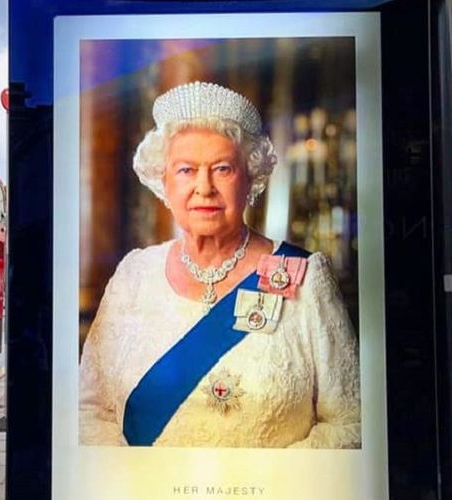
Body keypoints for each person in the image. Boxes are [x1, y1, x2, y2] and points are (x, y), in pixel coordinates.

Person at [79, 81, 360, 448]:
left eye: (222, 168)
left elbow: (350, 422)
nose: (204, 187)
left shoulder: (305, 276)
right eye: (185, 170)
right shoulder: (133, 276)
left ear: (251, 178)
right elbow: (90, 412)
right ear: (163, 181)